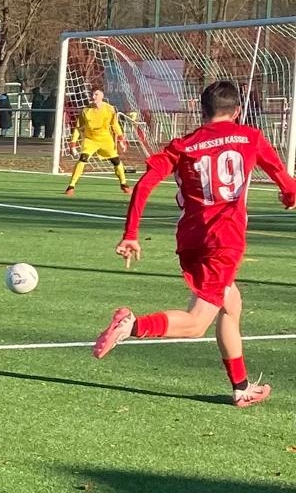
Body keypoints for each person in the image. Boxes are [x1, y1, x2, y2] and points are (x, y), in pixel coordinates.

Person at [94, 79, 296, 407]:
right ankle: (132, 325)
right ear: (238, 111)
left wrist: (131, 234)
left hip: (190, 240)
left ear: (202, 111)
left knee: (231, 304)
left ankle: (241, 387)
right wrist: (288, 197)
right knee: (197, 323)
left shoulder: (183, 145)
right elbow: (288, 184)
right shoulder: (251, 137)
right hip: (224, 242)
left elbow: (144, 185)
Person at [64, 88, 128, 196]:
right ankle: (71, 186)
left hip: (105, 139)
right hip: (90, 140)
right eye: (92, 94)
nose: (93, 97)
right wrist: (73, 143)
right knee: (83, 158)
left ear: (102, 95)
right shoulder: (86, 111)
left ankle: (124, 184)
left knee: (116, 161)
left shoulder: (110, 109)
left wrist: (121, 138)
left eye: (96, 94)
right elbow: (78, 128)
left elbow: (115, 124)